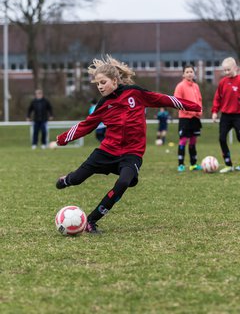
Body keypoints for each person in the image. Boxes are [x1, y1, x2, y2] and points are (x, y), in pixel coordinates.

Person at [55, 55, 201, 234]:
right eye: (97, 84)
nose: (100, 86)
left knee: (124, 182)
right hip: (107, 151)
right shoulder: (104, 105)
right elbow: (86, 126)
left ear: (114, 81)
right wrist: (63, 139)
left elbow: (164, 99)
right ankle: (66, 179)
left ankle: (92, 221)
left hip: (132, 153)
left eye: (103, 82)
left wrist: (193, 106)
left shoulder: (135, 93)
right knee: (77, 179)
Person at [212, 57, 240, 173]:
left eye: (228, 70)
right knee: (222, 138)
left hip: (238, 116)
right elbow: (217, 98)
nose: (226, 72)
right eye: (225, 70)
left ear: (235, 68)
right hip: (225, 116)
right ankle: (228, 164)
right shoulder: (223, 82)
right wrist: (214, 111)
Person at [174, 64, 203, 172]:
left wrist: (200, 111)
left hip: (195, 118)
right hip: (185, 118)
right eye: (187, 72)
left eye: (191, 71)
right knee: (183, 140)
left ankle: (193, 164)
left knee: (193, 141)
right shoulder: (180, 86)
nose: (189, 74)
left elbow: (199, 100)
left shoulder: (196, 86)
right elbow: (178, 102)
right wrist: (191, 111)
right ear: (183, 74)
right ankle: (181, 164)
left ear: (194, 73)